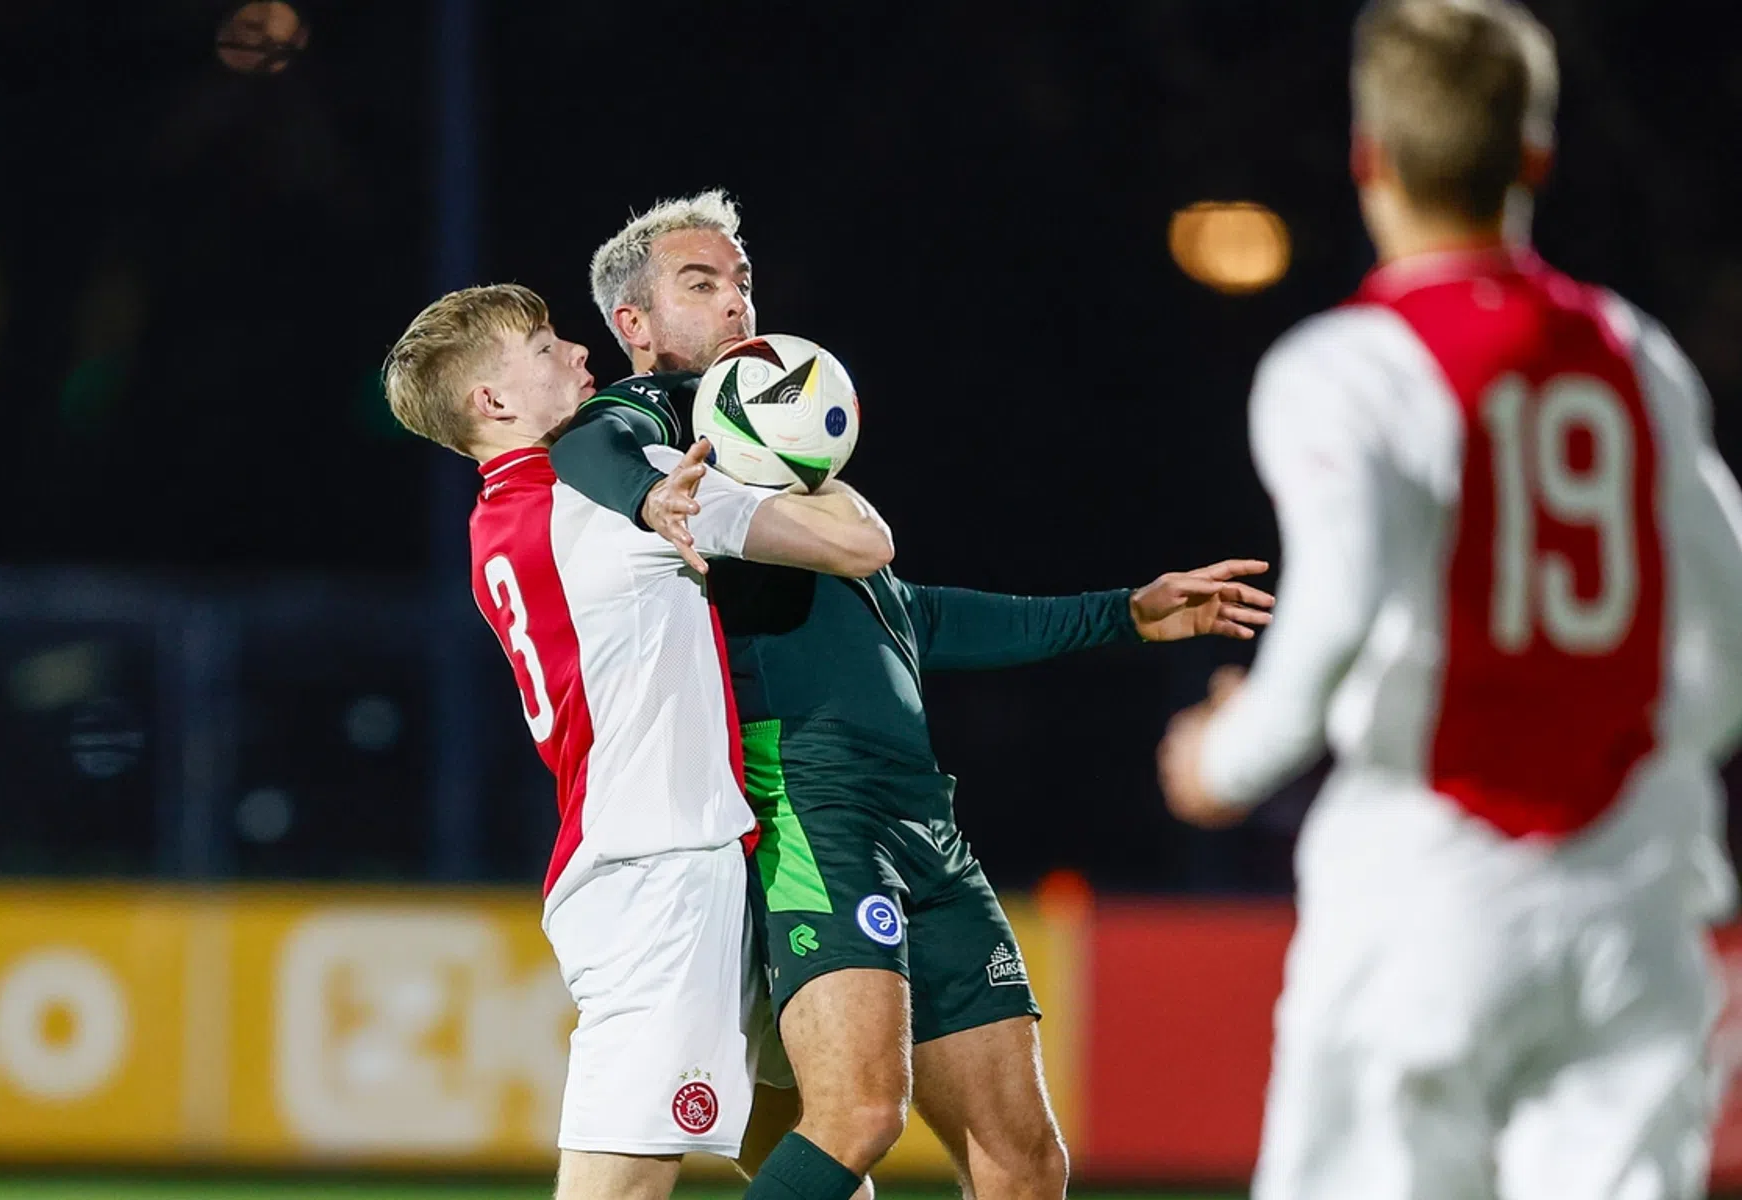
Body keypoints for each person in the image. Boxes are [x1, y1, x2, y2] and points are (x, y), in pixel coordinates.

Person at [548, 193, 1276, 1200]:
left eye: (742, 279)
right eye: (700, 284)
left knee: (1024, 1163)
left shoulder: (764, 442)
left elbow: (909, 616)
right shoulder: (666, 427)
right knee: (854, 1116)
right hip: (811, 796)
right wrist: (648, 492)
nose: (735, 302)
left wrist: (1123, 613)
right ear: (634, 324)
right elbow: (584, 444)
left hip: (919, 814)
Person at [1156, 2, 1742, 1197]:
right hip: (1630, 893)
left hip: (1424, 885)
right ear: (1536, 156)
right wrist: (1631, 772)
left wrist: (1221, 758)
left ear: (1369, 155)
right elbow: (1724, 630)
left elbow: (1335, 609)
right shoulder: (1638, 355)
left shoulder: (1343, 368)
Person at [381, 283, 897, 1200]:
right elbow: (859, 547)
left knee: (817, 1152)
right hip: (658, 872)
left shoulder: (501, 519)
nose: (580, 355)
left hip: (670, 853)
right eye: (544, 349)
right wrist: (801, 445)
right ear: (492, 403)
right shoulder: (612, 508)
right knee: (617, 1188)